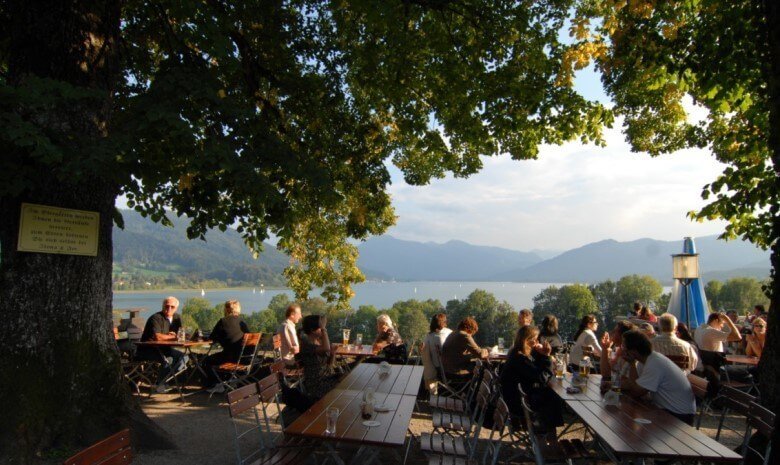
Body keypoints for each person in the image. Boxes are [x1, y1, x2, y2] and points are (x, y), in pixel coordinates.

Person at [620, 330, 697, 425]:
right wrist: (614, 385)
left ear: (633, 351)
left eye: (623, 347)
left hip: (679, 416)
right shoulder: (645, 361)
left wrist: (631, 364)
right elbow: (635, 384)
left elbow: (636, 392)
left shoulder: (654, 363)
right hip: (669, 410)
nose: (622, 349)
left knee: (628, 422)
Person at [500, 325, 563, 440]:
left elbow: (535, 371)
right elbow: (541, 378)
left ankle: (550, 440)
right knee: (552, 398)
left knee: (550, 396)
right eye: (535, 338)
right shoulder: (519, 358)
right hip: (520, 408)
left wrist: (541, 355)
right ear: (527, 340)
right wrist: (547, 356)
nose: (537, 341)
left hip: (515, 401)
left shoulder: (517, 354)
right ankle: (550, 442)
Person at [137, 296, 188, 393]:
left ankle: (165, 380)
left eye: (172, 307)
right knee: (169, 359)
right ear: (163, 306)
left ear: (176, 308)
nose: (169, 309)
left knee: (184, 358)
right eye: (167, 306)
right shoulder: (156, 318)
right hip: (148, 350)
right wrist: (173, 337)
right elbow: (158, 337)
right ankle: (159, 383)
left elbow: (180, 333)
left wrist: (176, 336)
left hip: (164, 349)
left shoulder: (177, 318)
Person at [204, 300, 250, 393]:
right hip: (246, 358)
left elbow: (212, 338)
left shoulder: (223, 321)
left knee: (206, 361)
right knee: (219, 357)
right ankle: (225, 383)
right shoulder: (242, 321)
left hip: (231, 358)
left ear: (226, 309)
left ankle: (216, 385)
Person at [296, 314, 339, 400]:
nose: (322, 330)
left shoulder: (317, 343)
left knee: (349, 379)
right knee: (346, 384)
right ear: (312, 330)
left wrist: (333, 354)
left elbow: (329, 365)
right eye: (320, 327)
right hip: (317, 385)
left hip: (326, 378)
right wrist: (324, 329)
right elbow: (326, 348)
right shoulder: (306, 344)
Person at [441, 317, 489, 381]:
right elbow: (480, 354)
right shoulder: (464, 335)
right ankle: (480, 390)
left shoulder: (453, 334)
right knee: (483, 368)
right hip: (457, 372)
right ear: (470, 329)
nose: (471, 335)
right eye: (472, 333)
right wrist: (486, 350)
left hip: (446, 371)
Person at [422, 313, 452, 392]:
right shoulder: (447, 333)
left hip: (436, 369)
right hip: (447, 370)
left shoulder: (428, 336)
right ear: (444, 322)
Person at [599, 320, 636, 384]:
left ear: (622, 336)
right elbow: (606, 373)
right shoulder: (619, 350)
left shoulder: (630, 354)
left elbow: (627, 383)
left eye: (615, 331)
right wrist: (605, 348)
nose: (612, 333)